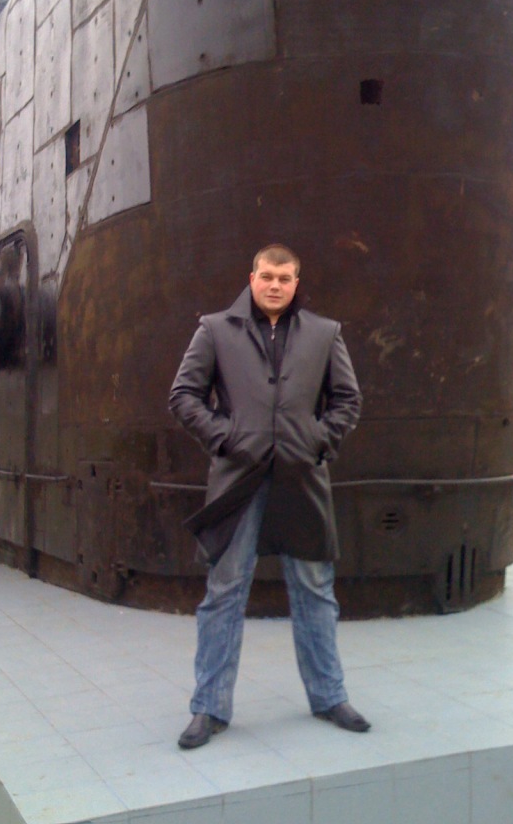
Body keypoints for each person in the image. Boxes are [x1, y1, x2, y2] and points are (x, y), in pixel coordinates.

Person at [169, 243, 370, 749]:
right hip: (238, 481)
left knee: (316, 590)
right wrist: (226, 437)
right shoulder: (215, 329)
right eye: (267, 276)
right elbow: (184, 396)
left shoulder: (325, 333)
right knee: (224, 591)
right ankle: (209, 708)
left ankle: (329, 697)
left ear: (296, 283)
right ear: (252, 278)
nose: (275, 285)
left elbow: (347, 400)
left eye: (284, 278)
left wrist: (318, 440)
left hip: (302, 480)